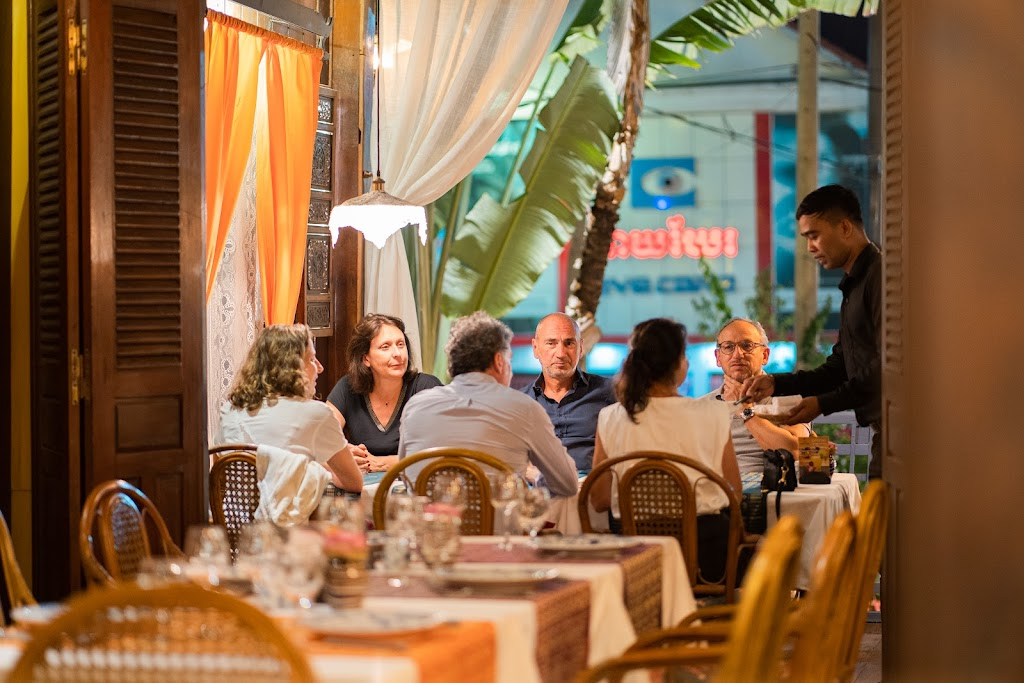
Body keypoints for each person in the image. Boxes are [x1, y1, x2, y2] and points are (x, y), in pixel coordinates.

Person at [741, 184, 882, 479]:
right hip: (886, 432)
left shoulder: (879, 277)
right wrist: (776, 384)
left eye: (814, 235)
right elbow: (838, 368)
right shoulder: (853, 286)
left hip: (906, 431)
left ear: (845, 227)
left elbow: (888, 367)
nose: (809, 248)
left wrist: (822, 404)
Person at [592, 318, 741, 583]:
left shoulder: (611, 417)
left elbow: (599, 499)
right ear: (679, 364)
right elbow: (734, 492)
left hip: (636, 555)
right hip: (705, 560)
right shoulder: (714, 413)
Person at [398, 311, 579, 497]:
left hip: (429, 515)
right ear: (499, 361)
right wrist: (536, 478)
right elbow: (567, 485)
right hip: (497, 517)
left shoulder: (415, 407)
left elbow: (405, 474)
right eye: (509, 359)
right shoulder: (524, 408)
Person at [217, 324, 364, 514]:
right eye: (312, 359)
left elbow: (221, 473)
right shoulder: (316, 414)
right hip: (288, 528)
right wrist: (315, 466)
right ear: (292, 367)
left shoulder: (229, 410)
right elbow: (354, 482)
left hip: (232, 526)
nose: (320, 368)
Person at [326, 314, 442, 473]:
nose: (397, 353)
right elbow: (320, 439)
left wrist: (382, 463)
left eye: (400, 344)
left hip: (414, 485)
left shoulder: (426, 388)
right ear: (366, 359)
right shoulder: (347, 387)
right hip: (364, 484)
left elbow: (442, 451)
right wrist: (344, 454)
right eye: (385, 347)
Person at [704, 318, 811, 475]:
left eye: (747, 346)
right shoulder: (703, 406)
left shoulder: (789, 397)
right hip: (716, 486)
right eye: (728, 347)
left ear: (765, 355)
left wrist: (744, 409)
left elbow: (795, 451)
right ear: (718, 357)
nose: (737, 354)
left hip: (770, 485)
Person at [522, 313, 616, 473]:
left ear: (581, 348)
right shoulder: (521, 402)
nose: (561, 353)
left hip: (593, 482)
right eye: (551, 343)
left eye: (569, 343)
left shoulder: (610, 392)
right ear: (536, 348)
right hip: (539, 485)